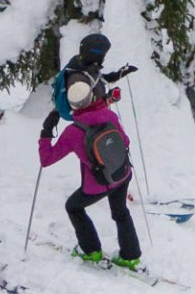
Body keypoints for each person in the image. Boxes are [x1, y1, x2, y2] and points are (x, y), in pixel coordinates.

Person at [37, 73, 140, 270]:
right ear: (92, 96)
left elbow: (46, 159)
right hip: (122, 173)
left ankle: (91, 251)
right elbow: (125, 142)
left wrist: (46, 133)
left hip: (98, 184)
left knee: (74, 207)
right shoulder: (110, 116)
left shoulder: (73, 132)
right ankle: (131, 256)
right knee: (121, 212)